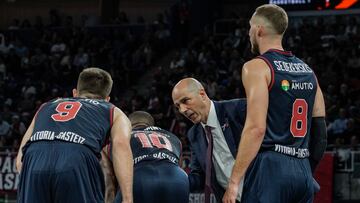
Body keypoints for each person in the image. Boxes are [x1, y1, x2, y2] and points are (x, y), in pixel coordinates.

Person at [223, 4, 327, 203]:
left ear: (258, 29)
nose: (248, 33)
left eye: (250, 27)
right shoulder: (308, 71)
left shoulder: (257, 67)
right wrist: (306, 171)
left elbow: (256, 129)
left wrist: (234, 181)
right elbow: (320, 135)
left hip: (271, 168)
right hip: (303, 169)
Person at [16, 67, 134, 203]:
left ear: (74, 93)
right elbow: (121, 145)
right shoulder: (114, 111)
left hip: (34, 158)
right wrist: (127, 198)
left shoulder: (45, 107)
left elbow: (20, 162)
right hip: (76, 158)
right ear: (107, 99)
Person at [172, 78, 246, 203]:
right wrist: (172, 181)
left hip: (262, 193)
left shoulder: (238, 109)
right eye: (178, 106)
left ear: (202, 94)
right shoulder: (194, 134)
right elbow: (198, 176)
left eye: (185, 101)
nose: (182, 110)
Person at [102, 111, 189, 203]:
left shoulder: (119, 138)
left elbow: (109, 178)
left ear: (128, 124)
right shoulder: (175, 138)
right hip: (177, 179)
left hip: (139, 178)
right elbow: (179, 165)